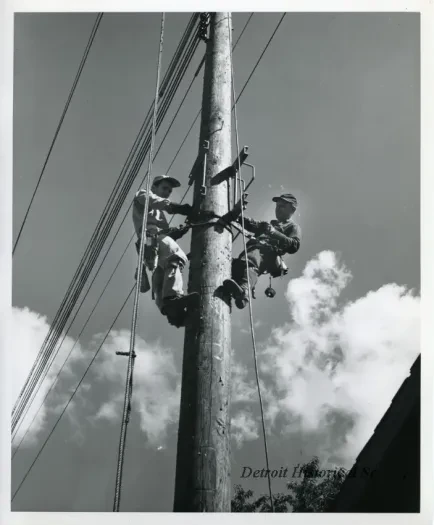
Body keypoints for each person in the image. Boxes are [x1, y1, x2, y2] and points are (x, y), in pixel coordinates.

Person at [132, 174, 198, 327]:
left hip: (152, 242)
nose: (167, 192)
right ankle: (172, 298)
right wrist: (178, 208)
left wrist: (178, 231)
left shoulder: (158, 213)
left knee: (160, 275)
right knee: (176, 255)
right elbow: (155, 201)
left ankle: (171, 313)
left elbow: (164, 231)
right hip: (150, 238)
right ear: (154, 187)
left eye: (169, 191)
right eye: (164, 188)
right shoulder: (143, 194)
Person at [223, 193, 301, 309]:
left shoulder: (293, 227)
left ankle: (244, 291)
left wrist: (274, 233)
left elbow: (294, 245)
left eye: (282, 206)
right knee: (234, 266)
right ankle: (236, 292)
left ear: (292, 209)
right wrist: (237, 213)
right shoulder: (269, 225)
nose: (278, 208)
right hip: (249, 254)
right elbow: (251, 223)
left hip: (266, 253)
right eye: (277, 206)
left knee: (251, 261)